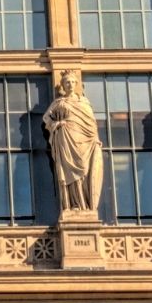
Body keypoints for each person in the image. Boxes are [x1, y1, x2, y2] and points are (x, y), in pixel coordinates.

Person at [44, 72, 102, 214]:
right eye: (67, 82)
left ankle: (85, 205)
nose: (70, 85)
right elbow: (46, 117)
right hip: (66, 138)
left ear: (77, 85)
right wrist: (56, 124)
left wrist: (96, 138)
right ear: (63, 85)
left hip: (85, 140)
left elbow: (91, 122)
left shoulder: (84, 102)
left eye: (72, 82)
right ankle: (74, 204)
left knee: (84, 169)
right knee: (70, 171)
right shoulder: (59, 102)